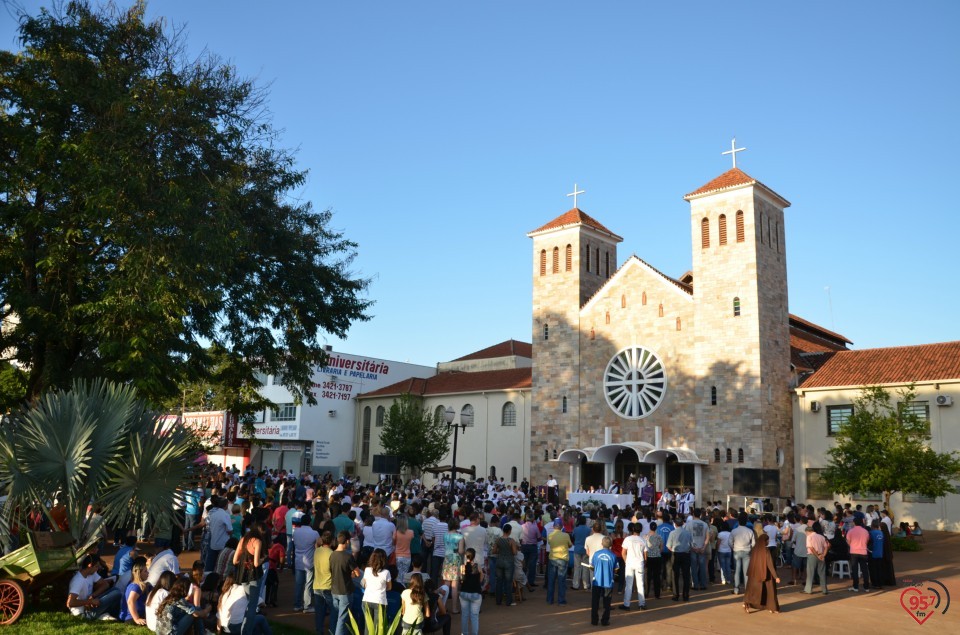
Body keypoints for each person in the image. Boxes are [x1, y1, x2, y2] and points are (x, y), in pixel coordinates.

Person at [66, 554, 122, 621]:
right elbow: (70, 603)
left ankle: (112, 615)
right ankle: (111, 615)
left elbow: (105, 585)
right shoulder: (78, 581)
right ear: (90, 565)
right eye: (96, 567)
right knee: (117, 592)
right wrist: (89, 601)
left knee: (115, 590)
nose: (97, 569)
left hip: (90, 605)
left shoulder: (92, 573)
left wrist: (93, 595)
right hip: (84, 612)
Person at [233, 521, 266, 633]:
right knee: (252, 605)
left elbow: (235, 560)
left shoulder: (243, 540)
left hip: (243, 575)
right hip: (255, 575)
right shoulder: (257, 541)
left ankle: (246, 628)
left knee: (249, 603)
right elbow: (256, 563)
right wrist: (263, 559)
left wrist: (244, 563)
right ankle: (247, 631)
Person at [329, 530, 361, 635]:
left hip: (334, 590)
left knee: (335, 615)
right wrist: (351, 574)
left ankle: (332, 632)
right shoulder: (348, 556)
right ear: (347, 541)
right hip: (345, 591)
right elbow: (357, 573)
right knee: (342, 618)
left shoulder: (332, 555)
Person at [742, 533, 780, 613]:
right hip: (765, 573)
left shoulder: (754, 549)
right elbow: (770, 564)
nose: (768, 541)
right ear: (764, 541)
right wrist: (776, 576)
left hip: (754, 573)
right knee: (770, 590)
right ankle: (772, 607)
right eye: (767, 540)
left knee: (752, 591)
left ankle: (746, 604)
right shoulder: (766, 551)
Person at [291, 514, 319, 612]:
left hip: (298, 561)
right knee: (308, 584)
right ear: (309, 522)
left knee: (299, 584)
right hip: (309, 561)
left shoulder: (296, 532)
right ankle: (307, 605)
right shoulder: (314, 533)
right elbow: (318, 546)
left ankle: (297, 604)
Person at [361, 548, 392, 629]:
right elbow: (389, 587)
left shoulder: (367, 570)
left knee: (368, 628)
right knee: (377, 628)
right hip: (380, 601)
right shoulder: (386, 572)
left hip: (367, 599)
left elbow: (364, 584)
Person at [590, 535, 617, 627]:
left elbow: (592, 566)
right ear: (611, 545)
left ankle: (594, 620)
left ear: (602, 544)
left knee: (595, 602)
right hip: (608, 582)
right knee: (607, 603)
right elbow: (616, 568)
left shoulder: (596, 554)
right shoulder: (613, 556)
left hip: (597, 581)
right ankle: (605, 621)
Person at [620, 522, 647, 611]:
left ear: (633, 529)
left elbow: (623, 553)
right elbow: (645, 555)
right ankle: (641, 604)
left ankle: (626, 604)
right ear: (641, 530)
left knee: (628, 585)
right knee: (640, 584)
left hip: (630, 563)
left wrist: (626, 561)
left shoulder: (628, 539)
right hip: (639, 563)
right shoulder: (643, 540)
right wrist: (644, 563)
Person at [312, 530, 335, 635]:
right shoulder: (332, 554)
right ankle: (333, 630)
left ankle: (319, 630)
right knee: (334, 610)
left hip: (317, 585)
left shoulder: (317, 551)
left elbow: (316, 544)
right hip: (328, 586)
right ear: (332, 541)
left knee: (319, 611)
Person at [546, 518, 572, 605]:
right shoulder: (566, 535)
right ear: (561, 526)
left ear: (554, 526)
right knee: (561, 580)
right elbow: (570, 545)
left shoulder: (550, 535)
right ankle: (561, 601)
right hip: (562, 559)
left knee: (551, 580)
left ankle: (550, 600)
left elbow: (550, 543)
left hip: (553, 559)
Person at [441, 517, 465, 613]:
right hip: (455, 560)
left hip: (447, 559)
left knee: (446, 584)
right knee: (455, 585)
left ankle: (443, 606)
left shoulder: (445, 535)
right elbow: (461, 551)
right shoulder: (460, 537)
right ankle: (454, 608)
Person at [667, 516, 692, 602]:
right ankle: (685, 595)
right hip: (686, 554)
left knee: (675, 575)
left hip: (676, 554)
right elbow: (691, 544)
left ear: (675, 524)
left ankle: (676, 594)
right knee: (686, 575)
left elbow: (668, 546)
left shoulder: (672, 533)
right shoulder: (688, 533)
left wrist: (674, 550)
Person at [492, 522, 518, 606]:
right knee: (508, 582)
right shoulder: (511, 540)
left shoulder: (498, 540)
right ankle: (508, 601)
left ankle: (498, 601)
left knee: (499, 581)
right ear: (509, 531)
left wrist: (500, 550)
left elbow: (494, 551)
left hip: (499, 561)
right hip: (509, 562)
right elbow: (514, 552)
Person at [459, 548, 483, 635]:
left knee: (464, 615)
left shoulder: (462, 567)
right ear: (474, 556)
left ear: (466, 556)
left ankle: (464, 633)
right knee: (474, 616)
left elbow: (461, 580)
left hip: (464, 592)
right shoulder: (478, 566)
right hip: (475, 593)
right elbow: (481, 579)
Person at [119, 557, 150, 624]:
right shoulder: (136, 586)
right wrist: (137, 619)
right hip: (131, 618)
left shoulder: (132, 583)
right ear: (139, 573)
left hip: (130, 617)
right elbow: (130, 601)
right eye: (145, 571)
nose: (148, 573)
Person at [729, 513, 755, 595]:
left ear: (738, 521)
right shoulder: (750, 531)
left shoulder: (734, 531)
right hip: (747, 551)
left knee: (737, 571)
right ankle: (747, 589)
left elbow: (729, 542)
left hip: (737, 551)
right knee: (746, 572)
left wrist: (733, 548)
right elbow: (754, 543)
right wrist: (750, 548)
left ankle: (736, 589)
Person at [846, 517, 872, 592]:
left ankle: (855, 587)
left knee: (855, 570)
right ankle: (866, 587)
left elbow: (848, 541)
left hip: (854, 551)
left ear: (854, 522)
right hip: (863, 551)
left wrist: (852, 545)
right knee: (864, 570)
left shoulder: (850, 531)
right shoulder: (865, 531)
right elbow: (867, 541)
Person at [803, 524, 829, 596]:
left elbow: (811, 548)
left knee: (810, 573)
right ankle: (824, 590)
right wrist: (823, 555)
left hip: (812, 555)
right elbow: (826, 546)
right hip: (821, 555)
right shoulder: (821, 536)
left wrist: (817, 555)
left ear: (808, 531)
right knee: (822, 573)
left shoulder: (809, 537)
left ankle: (808, 589)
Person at [571, 515, 592, 591]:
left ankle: (575, 584)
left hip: (577, 549)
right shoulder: (588, 529)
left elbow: (572, 537)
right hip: (586, 550)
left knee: (577, 567)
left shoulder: (576, 529)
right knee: (585, 567)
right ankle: (586, 584)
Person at [644, 521, 663, 600]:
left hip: (648, 557)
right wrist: (657, 552)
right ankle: (657, 594)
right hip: (657, 557)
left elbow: (644, 548)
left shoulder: (645, 536)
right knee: (656, 576)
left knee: (647, 576)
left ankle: (646, 593)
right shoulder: (659, 536)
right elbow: (661, 547)